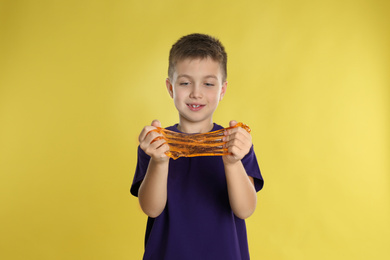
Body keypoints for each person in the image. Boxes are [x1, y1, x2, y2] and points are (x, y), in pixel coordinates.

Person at [130, 33, 264, 260]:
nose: (196, 93)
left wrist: (232, 163)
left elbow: (245, 209)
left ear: (222, 90)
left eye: (208, 83)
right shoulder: (155, 145)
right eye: (185, 82)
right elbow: (152, 209)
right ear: (170, 88)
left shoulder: (236, 144)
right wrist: (159, 161)